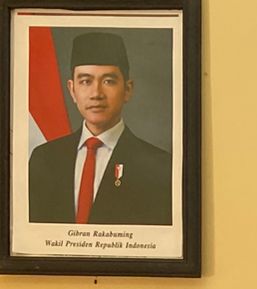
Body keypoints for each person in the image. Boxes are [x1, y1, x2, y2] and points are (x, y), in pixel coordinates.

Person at [28, 30, 171, 225]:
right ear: (72, 90)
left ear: (127, 89)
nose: (96, 93)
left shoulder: (159, 167)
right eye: (85, 81)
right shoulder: (44, 159)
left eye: (108, 81)